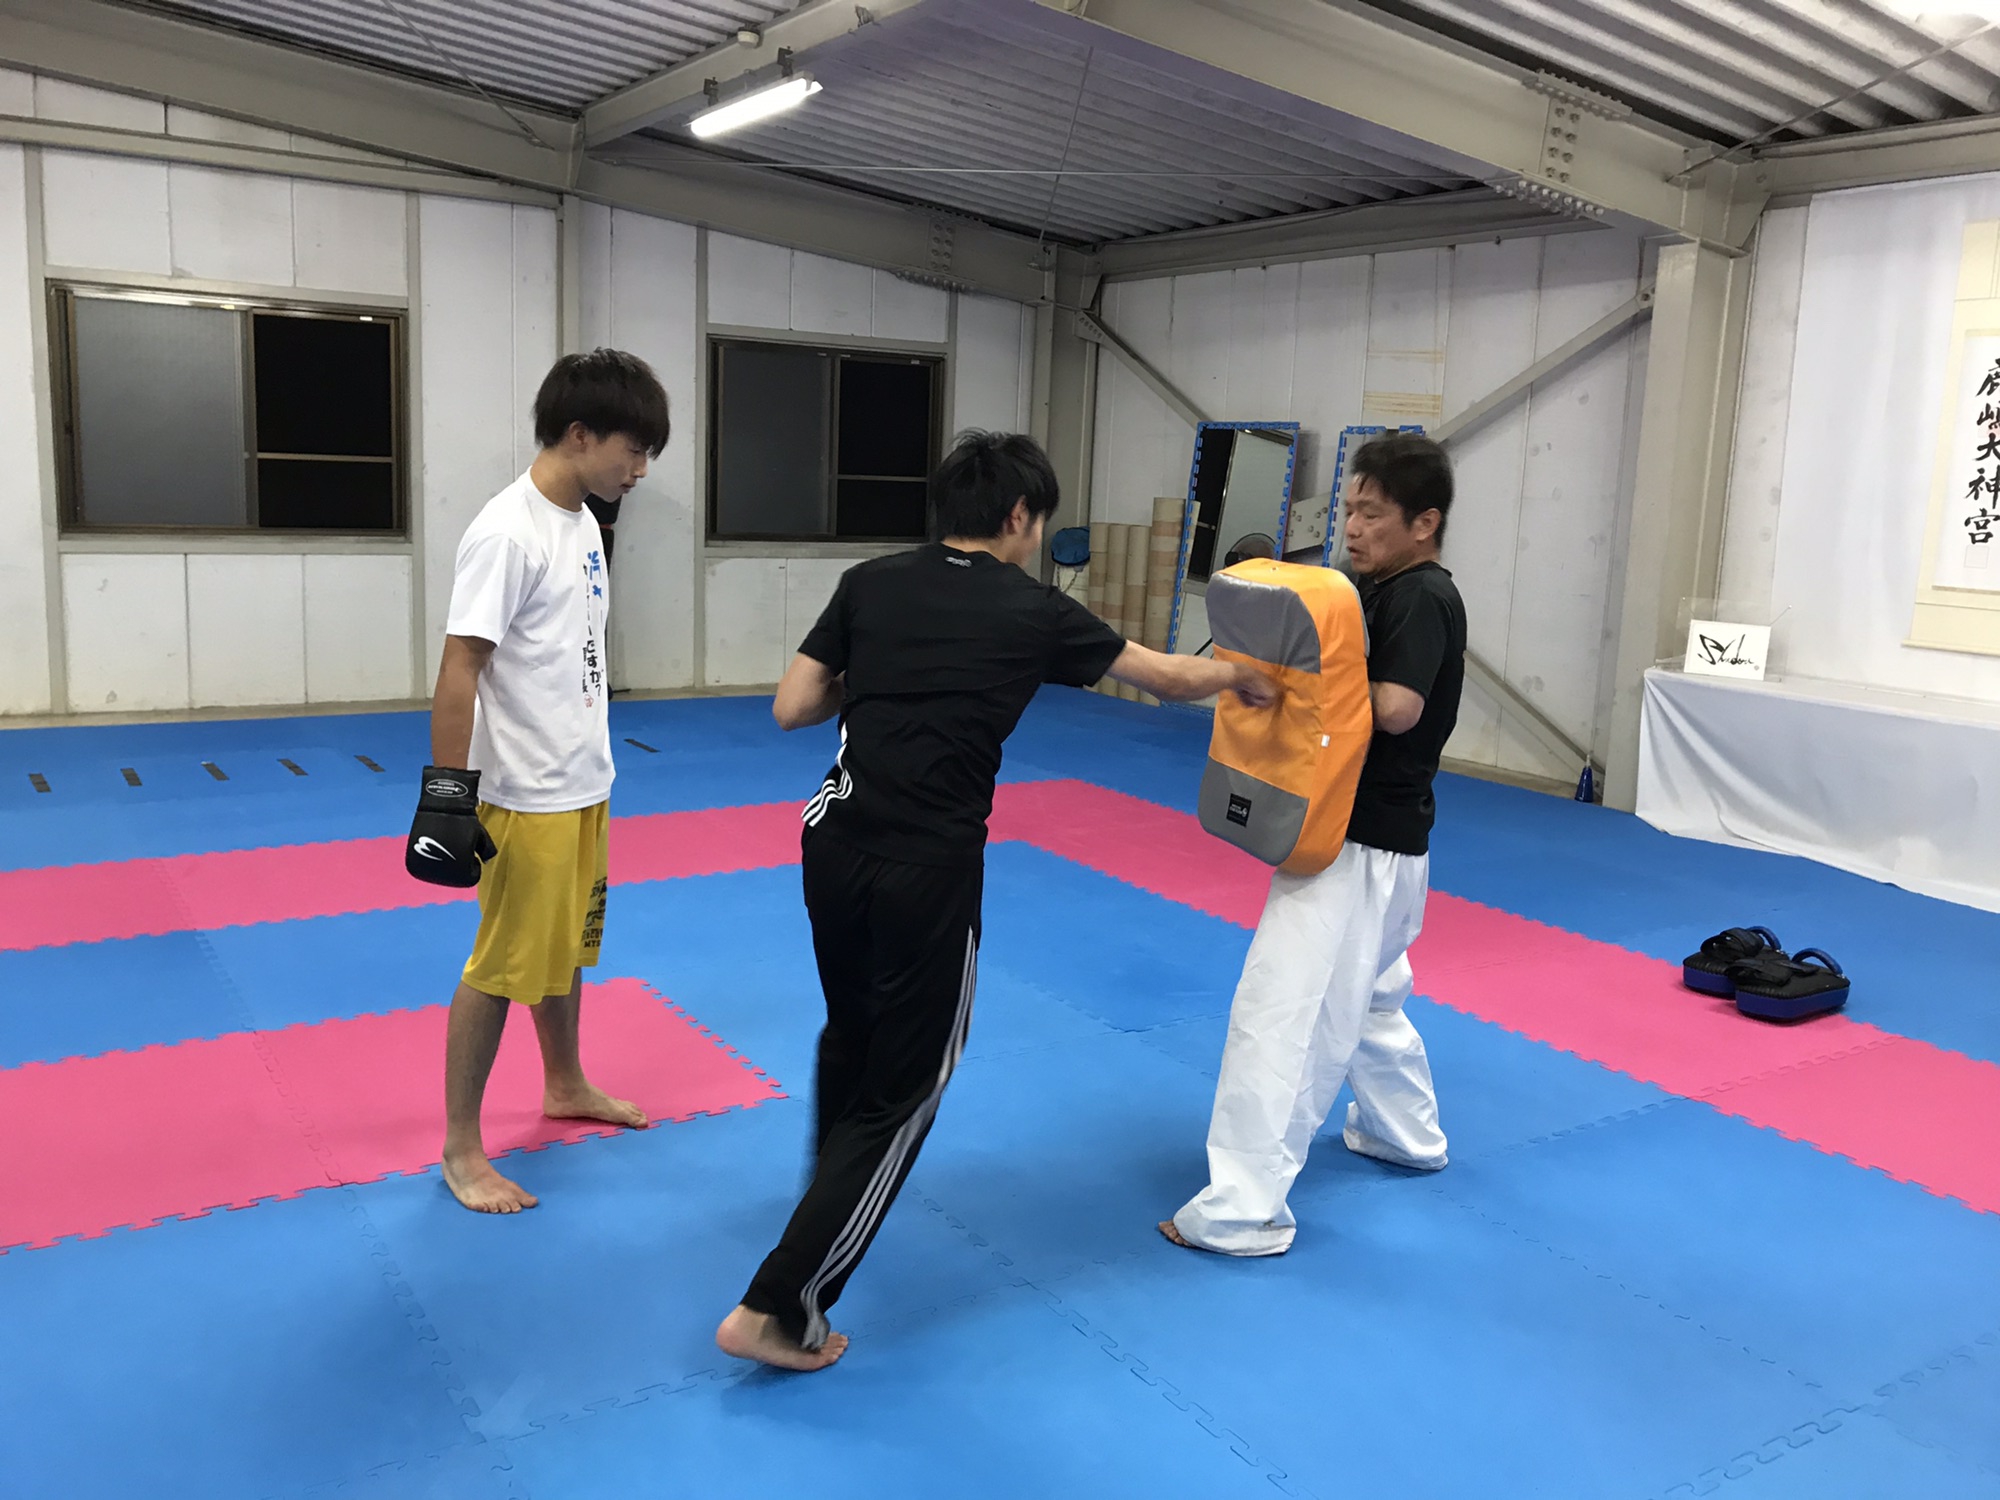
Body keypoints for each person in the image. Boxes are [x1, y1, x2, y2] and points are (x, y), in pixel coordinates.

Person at [716, 431, 1277, 1371]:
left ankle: (822, 1203)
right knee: (910, 1086)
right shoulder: (1031, 608)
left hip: (832, 842)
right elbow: (1167, 677)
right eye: (1038, 520)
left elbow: (792, 707)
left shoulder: (870, 581)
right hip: (924, 870)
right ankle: (779, 1307)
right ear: (1019, 516)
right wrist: (1244, 673)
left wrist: (886, 681)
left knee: (852, 1037)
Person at [1162, 431, 1465, 1257]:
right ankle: (1407, 1135)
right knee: (1370, 1002)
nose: (1354, 528)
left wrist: (1300, 681)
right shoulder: (1371, 591)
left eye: (1374, 514)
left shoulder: (1421, 596)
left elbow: (1397, 707)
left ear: (1424, 523)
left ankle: (1243, 1211)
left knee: (1284, 1012)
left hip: (1356, 846)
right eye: (1351, 511)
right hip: (1383, 843)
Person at [404, 349, 671, 1214]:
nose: (641, 470)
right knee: (500, 966)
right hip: (524, 795)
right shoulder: (506, 532)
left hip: (582, 781)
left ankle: (565, 1082)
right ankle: (461, 1148)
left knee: (564, 949)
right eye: (634, 450)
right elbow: (460, 668)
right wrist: (448, 795)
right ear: (579, 434)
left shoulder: (583, 521)